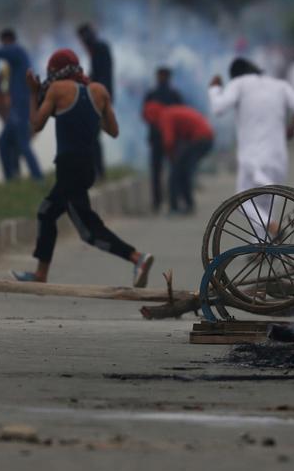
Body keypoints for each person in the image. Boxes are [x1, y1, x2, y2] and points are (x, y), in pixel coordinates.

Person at [13, 49, 153, 287]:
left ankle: (136, 257)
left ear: (56, 71)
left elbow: (36, 124)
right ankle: (40, 274)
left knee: (88, 230)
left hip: (69, 166)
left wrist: (34, 93)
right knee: (46, 212)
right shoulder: (99, 91)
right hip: (88, 167)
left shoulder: (57, 90)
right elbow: (113, 131)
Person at [209, 58, 294, 235]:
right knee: (265, 202)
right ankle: (261, 246)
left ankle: (271, 226)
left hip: (252, 156)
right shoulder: (279, 85)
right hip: (277, 155)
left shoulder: (239, 83)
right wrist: (291, 129)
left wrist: (214, 89)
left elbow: (218, 108)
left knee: (242, 201)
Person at [0, 28, 43, 181]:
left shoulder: (17, 51)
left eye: (3, 44)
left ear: (7, 41)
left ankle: (38, 178)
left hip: (20, 108)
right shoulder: (15, 62)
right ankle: (11, 179)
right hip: (16, 109)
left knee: (23, 144)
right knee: (4, 142)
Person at [141, 101, 214, 214]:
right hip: (204, 138)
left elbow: (168, 140)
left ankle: (175, 207)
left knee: (176, 173)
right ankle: (188, 204)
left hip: (200, 138)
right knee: (183, 172)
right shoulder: (169, 112)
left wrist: (171, 156)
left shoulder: (164, 117)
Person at [142, 67, 184, 213]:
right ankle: (170, 200)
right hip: (167, 138)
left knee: (159, 170)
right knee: (170, 169)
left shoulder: (153, 95)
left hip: (162, 138)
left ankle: (161, 201)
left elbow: (145, 115)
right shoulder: (173, 95)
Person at [76, 23, 113, 179]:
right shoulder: (98, 48)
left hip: (99, 97)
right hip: (100, 95)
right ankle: (98, 171)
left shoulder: (98, 48)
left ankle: (98, 171)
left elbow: (100, 75)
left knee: (91, 135)